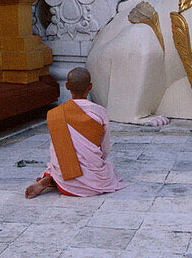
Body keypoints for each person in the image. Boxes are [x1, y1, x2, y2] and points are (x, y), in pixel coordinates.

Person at [25, 67, 126, 198]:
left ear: (67, 86)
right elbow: (105, 148)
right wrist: (96, 161)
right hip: (94, 181)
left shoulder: (55, 114)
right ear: (90, 87)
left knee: (55, 164)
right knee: (109, 168)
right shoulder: (100, 112)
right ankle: (59, 176)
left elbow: (56, 149)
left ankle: (50, 177)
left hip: (65, 183)